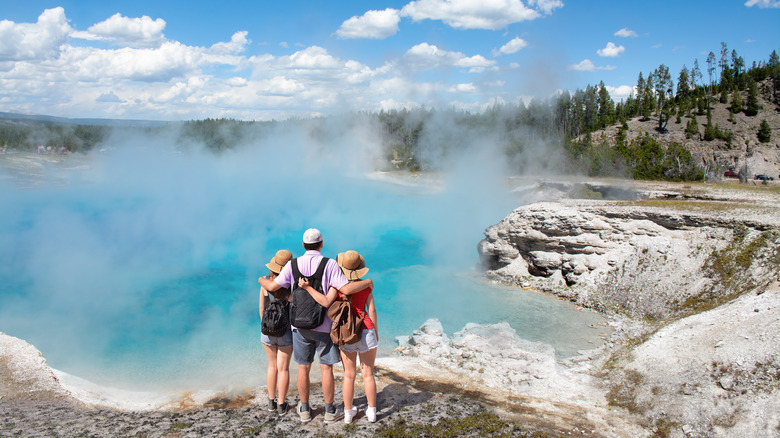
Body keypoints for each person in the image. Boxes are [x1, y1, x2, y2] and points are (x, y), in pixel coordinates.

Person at [258, 228, 372, 424]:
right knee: (326, 368)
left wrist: (261, 279)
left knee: (303, 368)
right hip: (325, 326)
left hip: (299, 327)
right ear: (321, 244)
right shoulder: (330, 264)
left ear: (303, 245)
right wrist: (368, 283)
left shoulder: (292, 265)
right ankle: (329, 410)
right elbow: (345, 289)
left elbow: (273, 287)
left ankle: (304, 409)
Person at [298, 250, 378, 424]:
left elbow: (325, 302)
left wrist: (307, 288)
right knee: (368, 374)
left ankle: (348, 413)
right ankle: (372, 412)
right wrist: (375, 332)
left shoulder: (336, 287)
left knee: (349, 375)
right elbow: (371, 310)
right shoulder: (366, 285)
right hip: (366, 330)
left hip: (346, 333)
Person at [259, 249, 294, 416]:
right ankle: (281, 405)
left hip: (267, 331)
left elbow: (261, 308)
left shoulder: (265, 284)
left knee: (271, 366)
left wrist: (267, 326)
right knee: (284, 369)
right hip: (285, 332)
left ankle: (270, 402)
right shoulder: (290, 286)